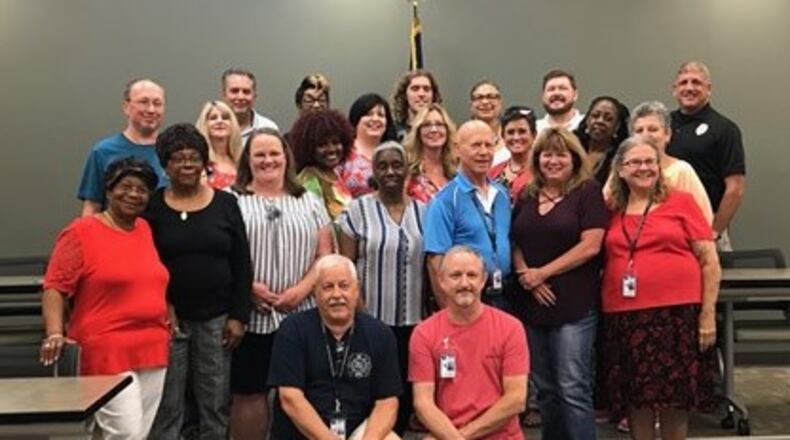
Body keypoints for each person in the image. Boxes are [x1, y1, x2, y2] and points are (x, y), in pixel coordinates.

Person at [601, 136, 720, 440]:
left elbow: (709, 261)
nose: (644, 168)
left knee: (674, 400)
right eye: (635, 163)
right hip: (624, 317)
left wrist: (707, 315)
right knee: (635, 398)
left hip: (676, 316)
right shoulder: (610, 208)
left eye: (650, 162)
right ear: (620, 170)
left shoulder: (681, 202)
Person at [41, 157, 168, 439]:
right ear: (108, 190)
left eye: (143, 189)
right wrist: (54, 334)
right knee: (126, 433)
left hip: (152, 348)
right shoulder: (81, 231)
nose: (134, 194)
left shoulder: (144, 230)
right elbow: (55, 287)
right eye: (126, 186)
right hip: (104, 350)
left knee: (136, 434)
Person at [145, 123, 252, 439]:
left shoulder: (225, 203)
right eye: (178, 158)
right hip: (167, 320)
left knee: (214, 404)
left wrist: (238, 316)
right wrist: (162, 305)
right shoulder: (152, 207)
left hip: (217, 320)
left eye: (193, 157)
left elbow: (241, 263)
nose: (187, 164)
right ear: (165, 164)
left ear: (205, 161)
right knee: (168, 405)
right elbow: (144, 264)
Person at [229, 128, 333, 440]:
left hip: (302, 313)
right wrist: (249, 288)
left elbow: (325, 254)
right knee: (249, 392)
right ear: (248, 160)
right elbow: (224, 255)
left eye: (274, 153)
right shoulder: (232, 201)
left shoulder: (310, 201)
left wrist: (301, 290)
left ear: (286, 157)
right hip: (253, 316)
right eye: (259, 154)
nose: (268, 160)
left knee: (304, 392)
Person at [511, 127, 608, 439]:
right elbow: (515, 240)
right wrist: (527, 274)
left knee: (571, 387)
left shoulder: (587, 192)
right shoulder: (526, 194)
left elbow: (591, 245)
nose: (553, 160)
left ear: (574, 158)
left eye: (560, 154)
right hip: (532, 304)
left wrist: (544, 273)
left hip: (574, 307)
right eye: (546, 154)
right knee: (545, 391)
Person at [337, 141, 427, 435]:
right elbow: (347, 268)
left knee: (402, 396)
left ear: (408, 170)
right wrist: (359, 315)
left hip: (413, 324)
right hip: (369, 322)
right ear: (373, 171)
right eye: (383, 166)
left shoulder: (425, 213)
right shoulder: (357, 211)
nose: (390, 171)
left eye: (396, 165)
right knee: (367, 394)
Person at [268, 254, 402, 440]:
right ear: (315, 293)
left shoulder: (380, 334)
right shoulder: (292, 330)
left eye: (344, 286)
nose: (337, 295)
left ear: (357, 290)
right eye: (328, 287)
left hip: (359, 431)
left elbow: (387, 402)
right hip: (303, 433)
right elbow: (290, 398)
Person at [410, 246, 529, 439]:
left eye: (472, 275)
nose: (464, 283)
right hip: (446, 433)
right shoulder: (424, 333)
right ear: (441, 281)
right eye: (455, 275)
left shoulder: (511, 328)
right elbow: (423, 403)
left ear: (483, 280)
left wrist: (464, 435)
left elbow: (516, 399)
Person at [424, 120, 512, 310]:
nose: (483, 152)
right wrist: (448, 311)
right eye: (476, 145)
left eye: (489, 145)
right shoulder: (444, 201)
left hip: (506, 295)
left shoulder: (503, 194)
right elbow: (435, 262)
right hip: (465, 299)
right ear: (457, 149)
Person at [666, 61, 745, 250]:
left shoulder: (725, 129)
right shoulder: (662, 125)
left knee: (712, 279)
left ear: (708, 89)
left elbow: (736, 188)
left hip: (707, 224)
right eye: (683, 83)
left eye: (696, 83)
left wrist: (714, 232)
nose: (689, 88)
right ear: (674, 90)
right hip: (666, 225)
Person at [77, 78, 168, 216]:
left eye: (157, 103)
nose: (151, 109)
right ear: (126, 106)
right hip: (117, 235)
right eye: (143, 102)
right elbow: (92, 207)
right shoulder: (103, 151)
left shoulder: (172, 153)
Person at [629, 101, 713, 224]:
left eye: (653, 129)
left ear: (667, 134)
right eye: (639, 130)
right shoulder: (621, 170)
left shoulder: (682, 171)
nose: (645, 135)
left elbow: (703, 221)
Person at [290, 108, 354, 220]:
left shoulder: (335, 173)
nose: (331, 149)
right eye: (323, 144)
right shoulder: (309, 180)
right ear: (309, 148)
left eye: (335, 142)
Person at [340, 93, 397, 198]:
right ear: (356, 119)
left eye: (381, 115)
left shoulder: (396, 154)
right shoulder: (342, 152)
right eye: (368, 114)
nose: (375, 119)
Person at [402, 103, 457, 203]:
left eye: (439, 124)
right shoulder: (407, 170)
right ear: (418, 132)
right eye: (427, 125)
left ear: (447, 130)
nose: (434, 130)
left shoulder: (457, 169)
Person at [574, 96, 630, 186]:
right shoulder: (571, 148)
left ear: (617, 126)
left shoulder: (621, 157)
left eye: (608, 119)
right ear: (587, 120)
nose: (600, 121)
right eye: (595, 116)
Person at [488, 106, 537, 200]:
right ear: (503, 136)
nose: (516, 137)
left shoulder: (543, 172)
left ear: (534, 135)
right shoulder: (492, 173)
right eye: (510, 132)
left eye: (522, 131)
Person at [221, 68, 279, 145]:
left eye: (246, 92)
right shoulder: (212, 128)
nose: (241, 97)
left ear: (254, 96)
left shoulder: (268, 127)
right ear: (224, 95)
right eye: (234, 91)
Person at [195, 100, 243, 189]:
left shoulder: (242, 162)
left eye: (225, 118)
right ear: (204, 124)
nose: (220, 121)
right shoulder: (199, 162)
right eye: (213, 118)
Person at [391, 70, 443, 140]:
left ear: (433, 95)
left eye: (426, 89)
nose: (421, 94)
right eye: (415, 89)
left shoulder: (442, 131)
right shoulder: (393, 132)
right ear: (404, 95)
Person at [469, 80, 507, 165]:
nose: (485, 102)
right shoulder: (461, 138)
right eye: (479, 97)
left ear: (500, 103)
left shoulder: (513, 136)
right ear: (471, 105)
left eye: (491, 97)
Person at [536, 69, 584, 134]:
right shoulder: (535, 129)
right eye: (551, 89)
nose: (556, 93)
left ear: (575, 95)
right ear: (543, 96)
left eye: (562, 88)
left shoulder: (588, 126)